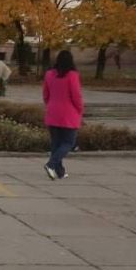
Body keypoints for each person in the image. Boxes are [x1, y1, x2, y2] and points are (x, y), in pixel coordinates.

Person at [42, 49, 84, 181]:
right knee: (69, 142)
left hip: (52, 112)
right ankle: (51, 164)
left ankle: (60, 172)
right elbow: (76, 96)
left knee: (56, 143)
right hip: (69, 113)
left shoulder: (49, 74)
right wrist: (80, 110)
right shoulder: (72, 75)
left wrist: (50, 105)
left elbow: (45, 94)